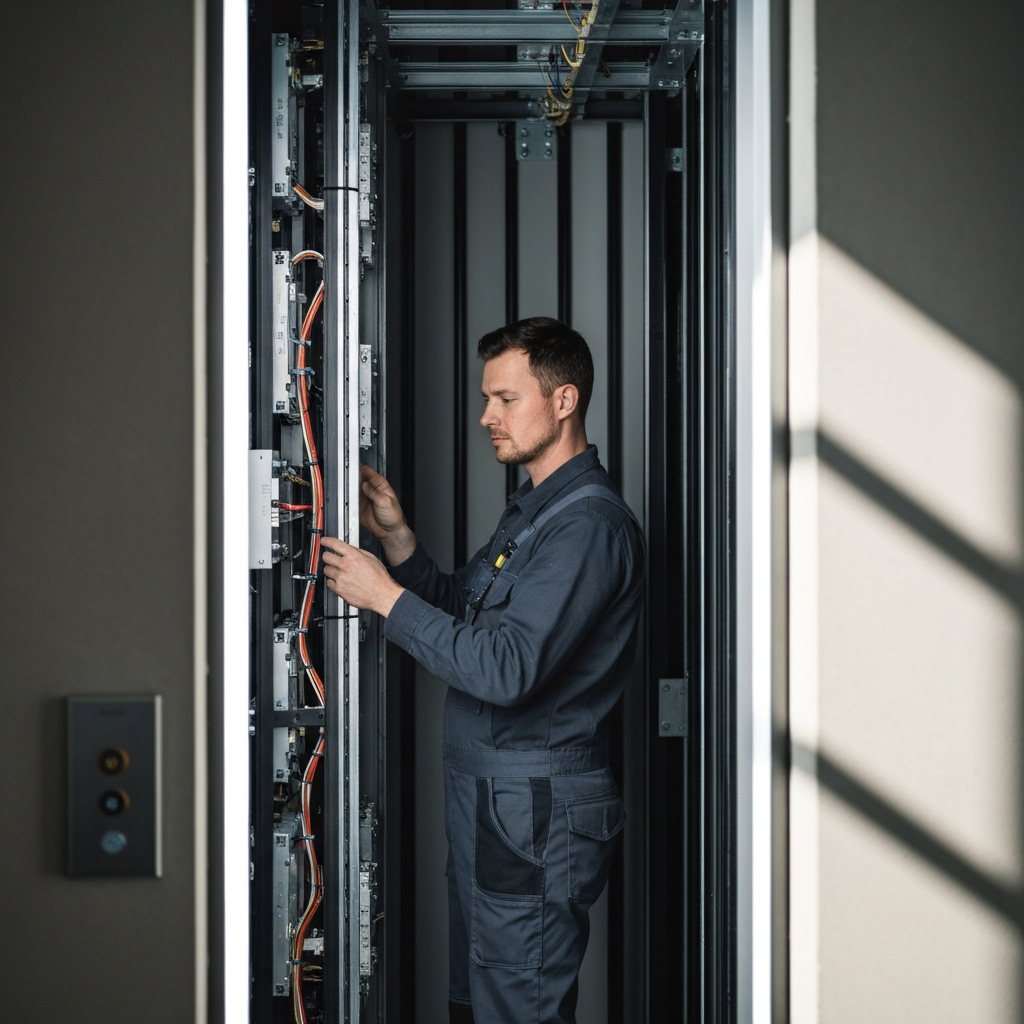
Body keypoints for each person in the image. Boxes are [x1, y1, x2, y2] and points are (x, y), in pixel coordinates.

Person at [321, 316, 645, 1024]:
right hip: (499, 807)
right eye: (485, 398)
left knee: (515, 1006)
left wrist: (385, 597)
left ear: (563, 402)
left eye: (505, 399)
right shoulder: (536, 513)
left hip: (532, 809)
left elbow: (505, 669)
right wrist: (400, 544)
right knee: (479, 999)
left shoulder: (587, 528)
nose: (485, 417)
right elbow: (466, 618)